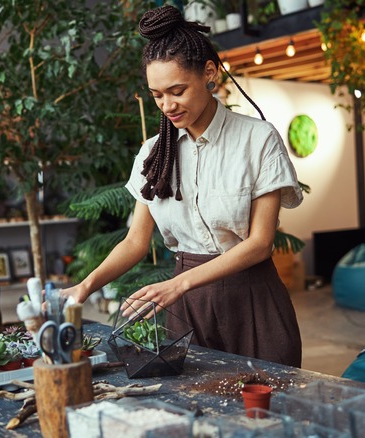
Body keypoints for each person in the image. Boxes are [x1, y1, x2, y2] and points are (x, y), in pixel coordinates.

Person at [63, 4, 304, 367]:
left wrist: (178, 284)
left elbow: (259, 244)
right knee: (200, 412)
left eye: (177, 90)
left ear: (209, 73)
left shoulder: (257, 139)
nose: (167, 105)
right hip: (187, 312)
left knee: (266, 415)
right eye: (157, 95)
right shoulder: (154, 154)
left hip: (253, 301)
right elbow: (135, 241)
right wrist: (85, 286)